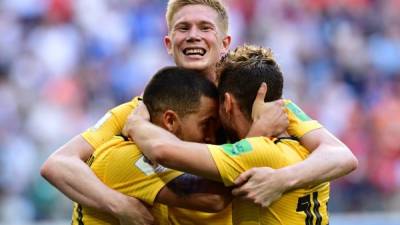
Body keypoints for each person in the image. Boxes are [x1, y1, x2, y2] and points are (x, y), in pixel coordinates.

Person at [41, 0, 357, 224]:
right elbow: (59, 164)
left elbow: (340, 155)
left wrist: (283, 179)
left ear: (224, 43)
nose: (193, 35)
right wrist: (119, 204)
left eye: (205, 27)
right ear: (169, 42)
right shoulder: (142, 111)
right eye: (183, 28)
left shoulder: (255, 102)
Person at [124, 45, 335, 225]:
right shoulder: (308, 148)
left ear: (227, 103)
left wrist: (136, 122)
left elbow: (161, 151)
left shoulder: (256, 154)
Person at [71, 66, 233, 225]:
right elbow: (214, 198)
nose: (211, 137)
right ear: (170, 121)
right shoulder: (128, 156)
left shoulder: (146, 151)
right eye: (205, 125)